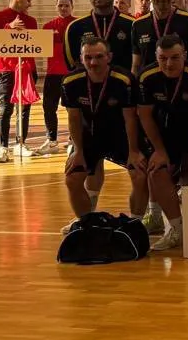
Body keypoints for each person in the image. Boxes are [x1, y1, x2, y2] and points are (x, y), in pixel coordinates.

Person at [135, 33, 188, 251]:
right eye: (163, 58)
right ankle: (176, 228)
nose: (169, 64)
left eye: (174, 57)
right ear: (156, 56)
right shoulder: (146, 76)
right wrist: (159, 150)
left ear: (184, 55)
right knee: (156, 171)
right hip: (167, 131)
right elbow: (144, 115)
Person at [61, 36, 145, 220]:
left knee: (140, 175)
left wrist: (133, 151)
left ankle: (136, 223)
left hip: (121, 136)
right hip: (89, 136)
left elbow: (130, 118)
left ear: (109, 57)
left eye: (99, 57)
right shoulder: (70, 82)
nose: (93, 62)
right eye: (88, 57)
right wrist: (78, 151)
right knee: (72, 179)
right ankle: (86, 223)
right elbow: (73, 118)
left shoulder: (124, 80)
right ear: (81, 58)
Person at [0, 0, 38, 164]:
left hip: (26, 69)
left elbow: (33, 43)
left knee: (24, 110)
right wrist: (9, 27)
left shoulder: (31, 21)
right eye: (28, 0)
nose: (30, 5)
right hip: (6, 70)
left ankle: (21, 143)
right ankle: (2, 147)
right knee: (5, 109)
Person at [67, 0, 135, 71]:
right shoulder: (75, 27)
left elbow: (137, 63)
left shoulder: (132, 25)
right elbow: (73, 65)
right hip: (87, 85)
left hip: (123, 84)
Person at [37, 0, 76, 156]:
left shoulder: (77, 25)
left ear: (72, 7)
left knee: (73, 109)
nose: (63, 8)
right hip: (52, 74)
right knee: (48, 107)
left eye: (66, 5)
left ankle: (73, 140)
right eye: (60, 5)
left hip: (72, 74)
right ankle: (52, 140)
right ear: (56, 7)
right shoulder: (47, 27)